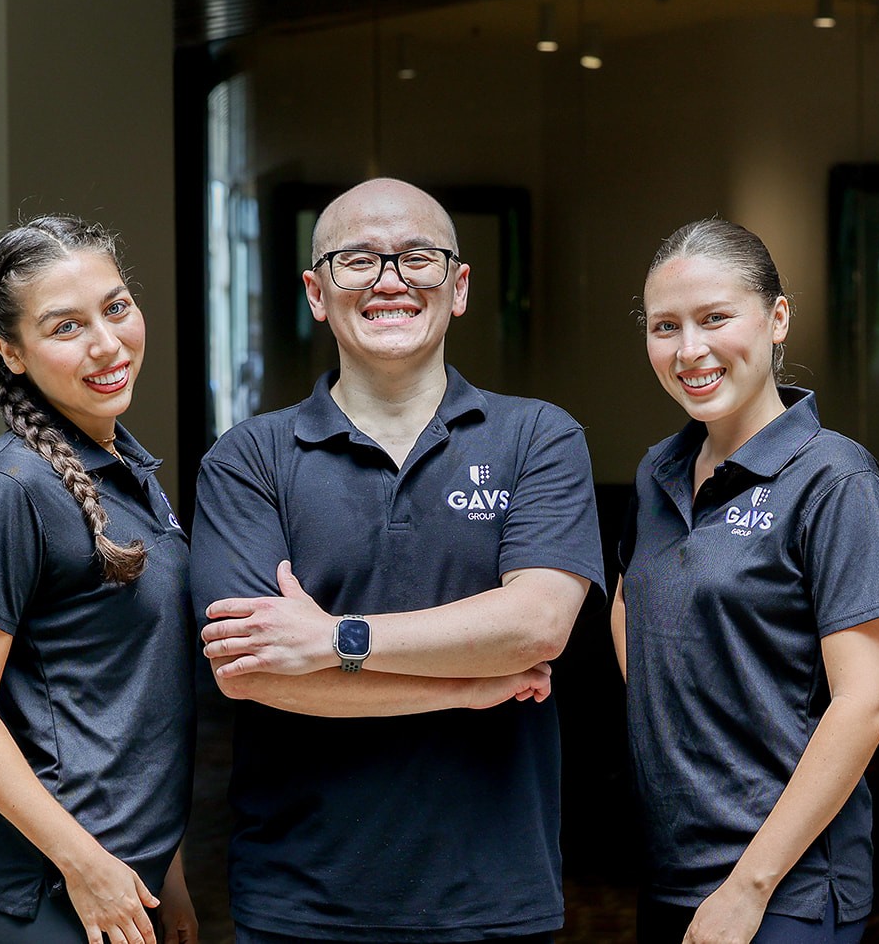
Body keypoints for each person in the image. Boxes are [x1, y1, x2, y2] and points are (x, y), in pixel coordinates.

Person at [188, 178, 604, 943]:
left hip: (495, 900)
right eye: (357, 261)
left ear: (459, 286)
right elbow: (253, 673)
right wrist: (471, 681)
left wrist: (335, 641)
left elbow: (539, 625)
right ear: (317, 292)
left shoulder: (539, 438)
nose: (389, 281)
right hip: (300, 902)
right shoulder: (249, 459)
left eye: (418, 258)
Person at [612, 219, 879, 944]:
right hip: (674, 872)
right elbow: (629, 606)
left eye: (715, 319)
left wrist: (750, 886)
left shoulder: (835, 478)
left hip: (785, 889)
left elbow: (866, 704)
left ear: (777, 319)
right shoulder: (657, 471)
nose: (690, 350)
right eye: (664, 326)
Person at [0, 215, 198, 943]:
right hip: (56, 895)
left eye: (115, 307)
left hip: (125, 883)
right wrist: (88, 869)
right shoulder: (11, 490)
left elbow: (133, 689)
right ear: (11, 351)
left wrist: (164, 875)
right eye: (66, 326)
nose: (107, 343)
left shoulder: (128, 472)